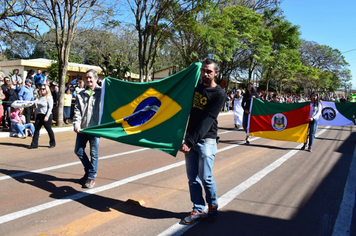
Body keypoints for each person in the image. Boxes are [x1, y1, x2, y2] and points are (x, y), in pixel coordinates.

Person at [179, 58, 225, 225]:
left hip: (207, 140)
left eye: (209, 71)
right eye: (203, 70)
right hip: (191, 137)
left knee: (205, 177)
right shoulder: (196, 87)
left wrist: (190, 142)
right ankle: (198, 208)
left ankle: (212, 204)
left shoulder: (219, 94)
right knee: (192, 178)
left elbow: (207, 120)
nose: (205, 74)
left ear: (216, 73)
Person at [73, 69, 101, 189]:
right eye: (87, 77)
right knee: (78, 150)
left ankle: (91, 177)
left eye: (91, 77)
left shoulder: (102, 93)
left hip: (95, 129)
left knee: (94, 153)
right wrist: (76, 124)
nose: (88, 80)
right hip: (83, 128)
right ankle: (89, 171)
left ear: (96, 79)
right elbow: (77, 111)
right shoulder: (81, 94)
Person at [28, 84, 56, 149]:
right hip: (39, 115)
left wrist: (47, 116)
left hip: (46, 115)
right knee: (36, 130)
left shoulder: (49, 98)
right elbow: (37, 108)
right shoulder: (40, 97)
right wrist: (36, 115)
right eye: (41, 89)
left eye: (44, 89)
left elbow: (50, 108)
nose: (42, 90)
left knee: (48, 129)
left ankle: (52, 143)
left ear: (47, 90)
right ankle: (34, 144)